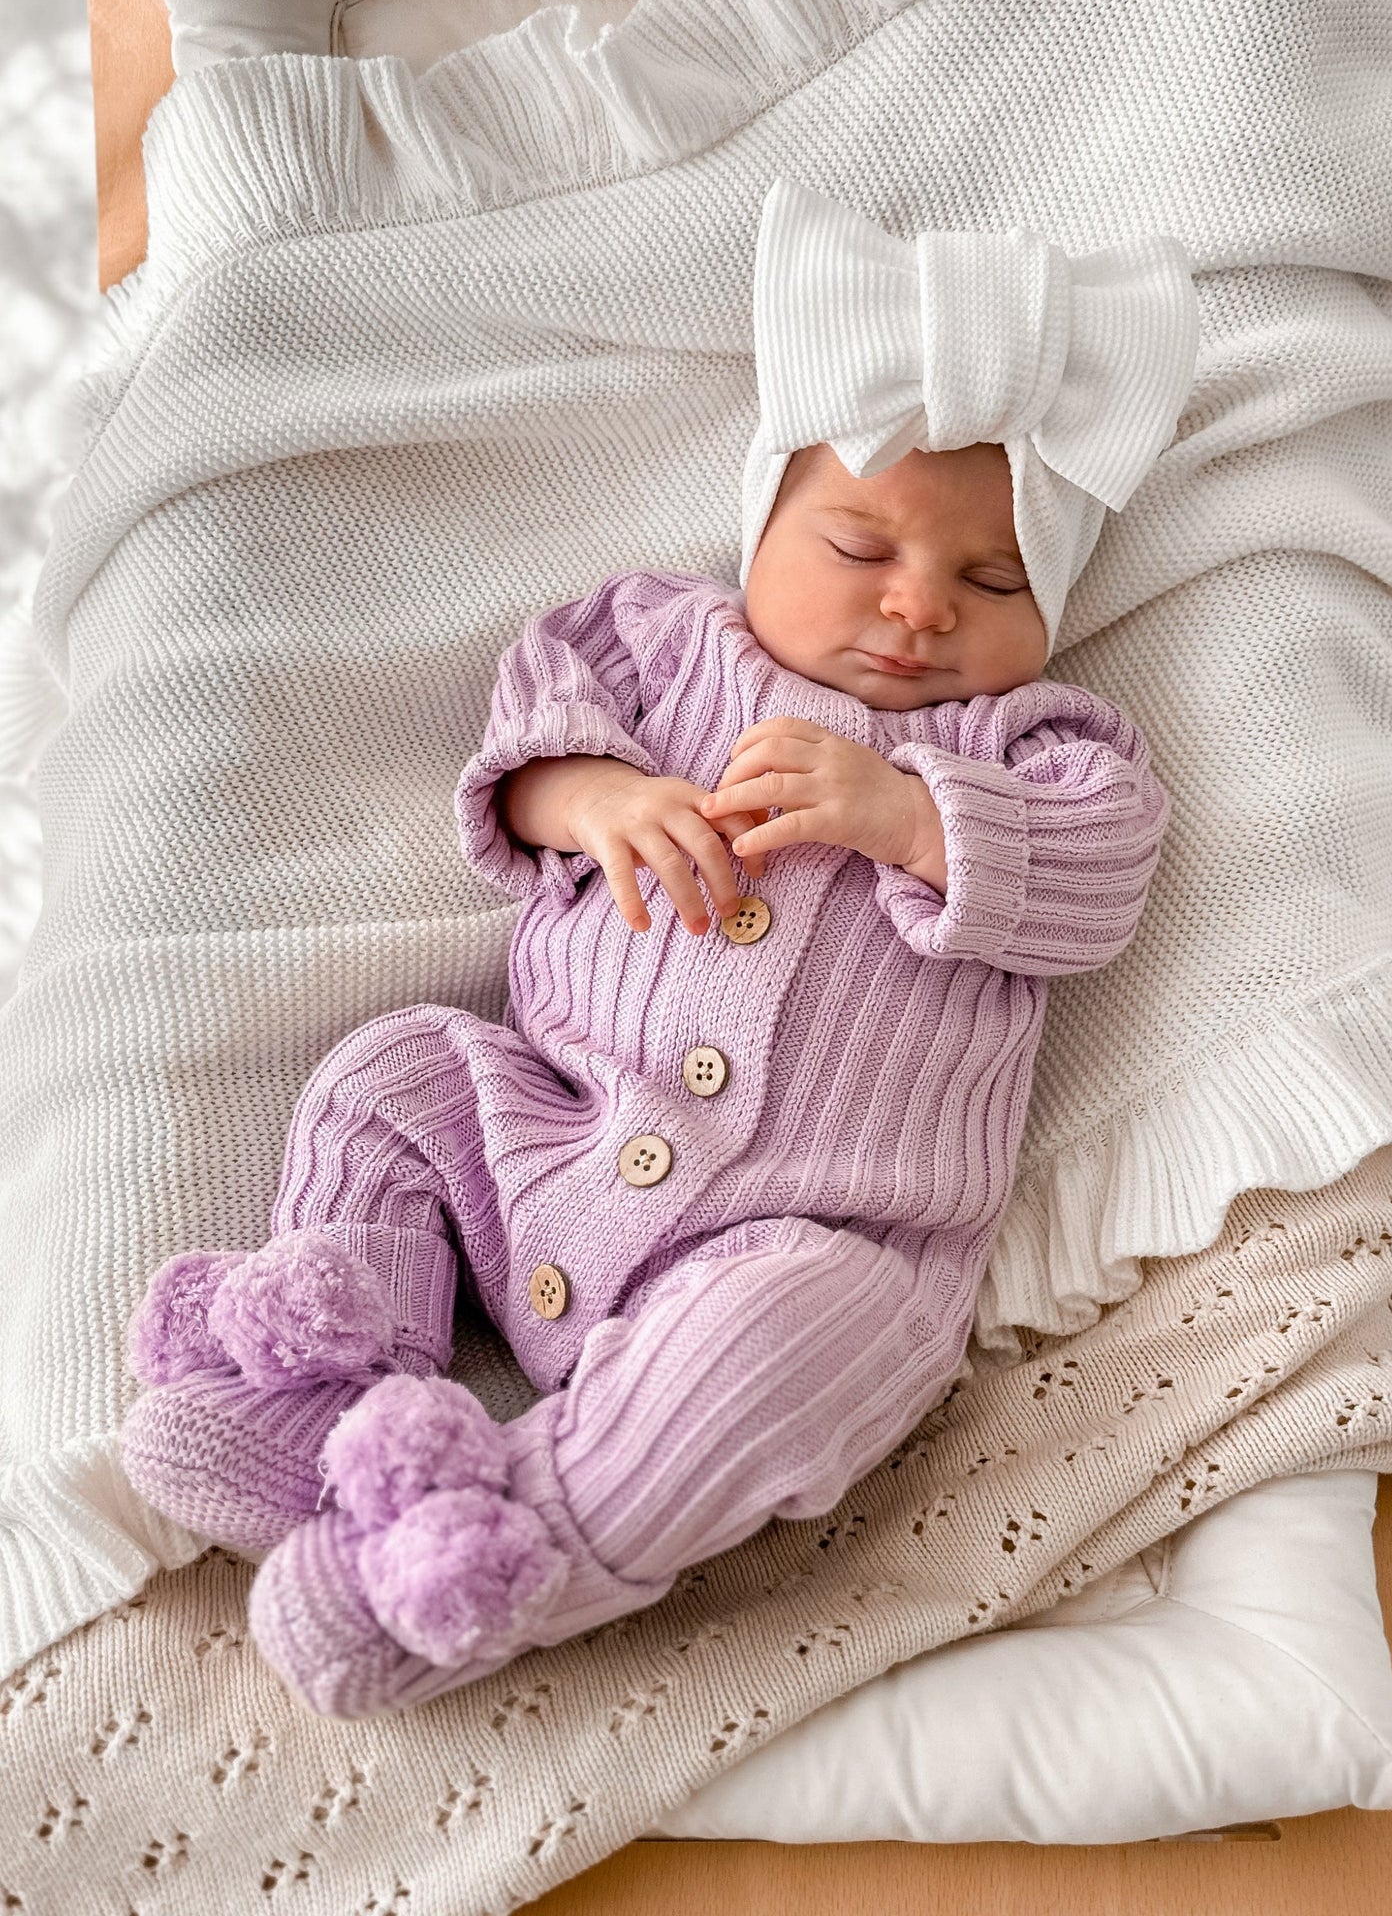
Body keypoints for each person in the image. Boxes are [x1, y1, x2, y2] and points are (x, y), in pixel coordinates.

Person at [116, 180, 1195, 1718]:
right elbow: (526, 727)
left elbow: (1099, 883)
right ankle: (341, 1390)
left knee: (768, 1356)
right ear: (761, 516)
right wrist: (595, 795)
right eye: (855, 542)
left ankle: (503, 1547)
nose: (912, 608)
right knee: (395, 1074)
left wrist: (904, 814)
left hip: (816, 1240)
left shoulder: (1038, 744)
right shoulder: (661, 641)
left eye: (989, 580)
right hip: (555, 1134)